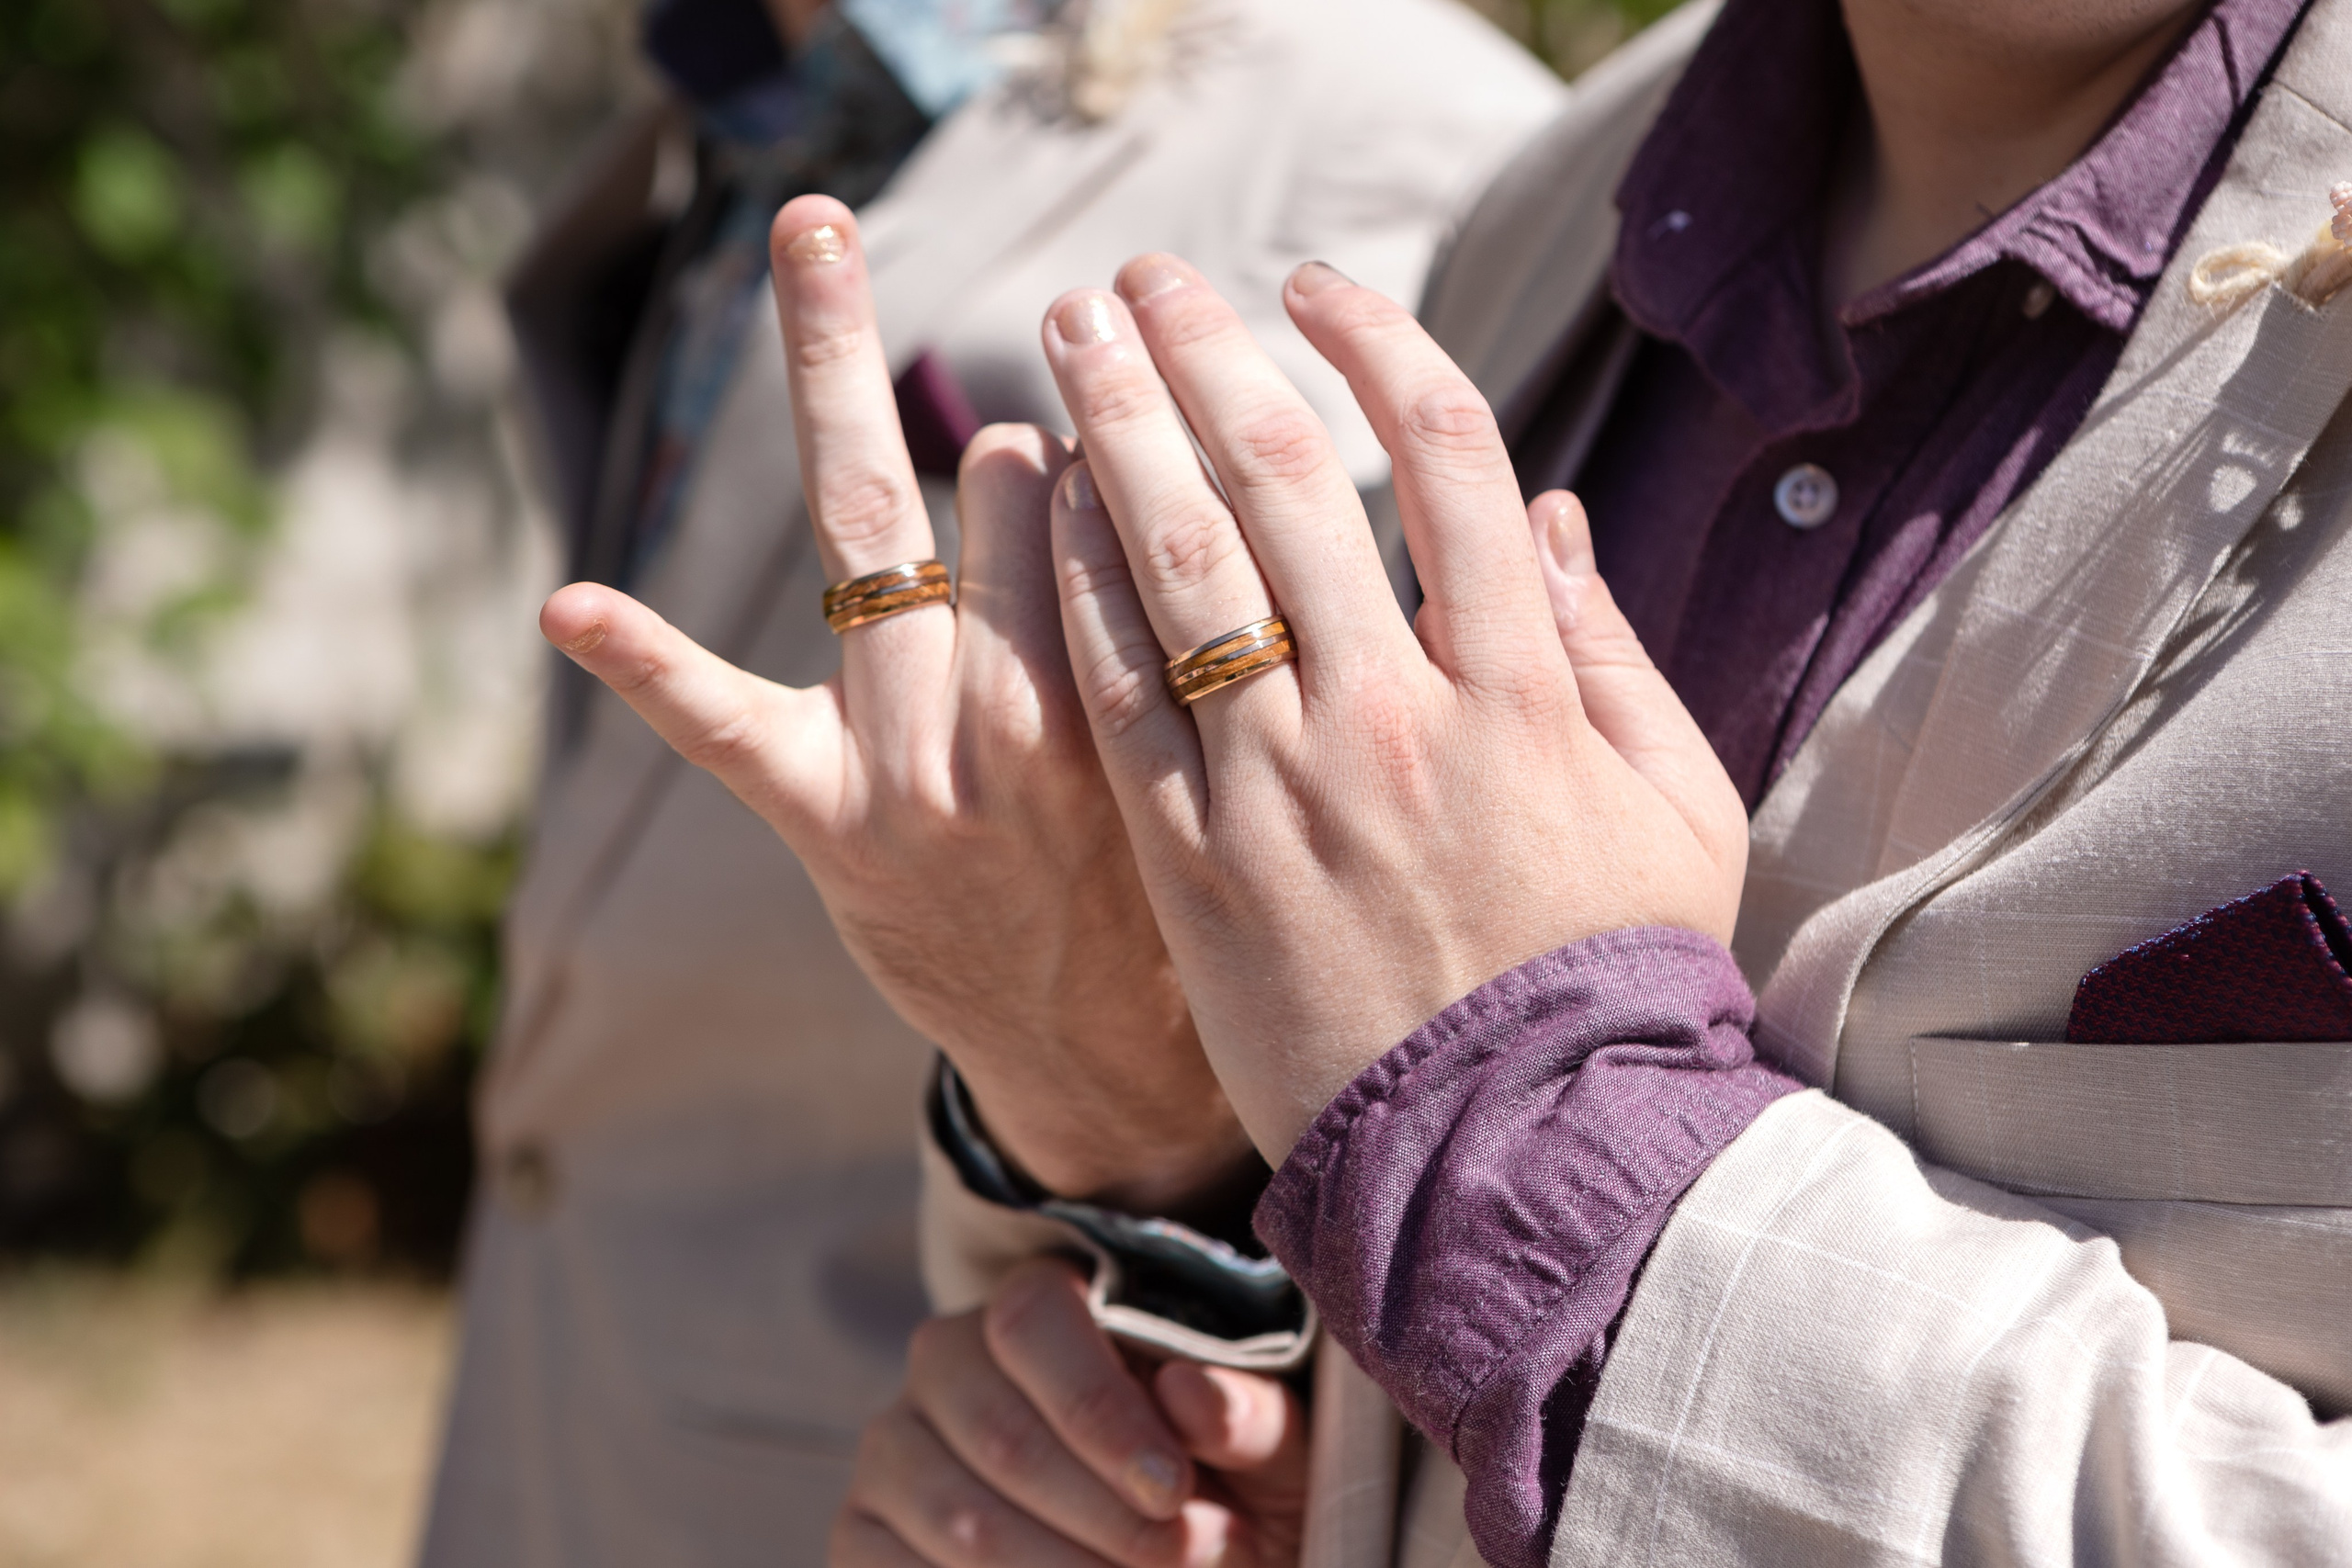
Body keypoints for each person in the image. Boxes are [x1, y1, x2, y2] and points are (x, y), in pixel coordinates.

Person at [540, 0, 2352, 1562]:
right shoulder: (1553, 207)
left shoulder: (1414, 133)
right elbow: (1405, 1256)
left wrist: (1542, 1147)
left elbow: (1502, 1135)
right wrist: (1149, 1205)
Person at [417, 0, 1561, 1562]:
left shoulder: (1420, 138)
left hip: (962, 1478)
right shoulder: (718, 112)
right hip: (556, 1417)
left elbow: (1453, 970)